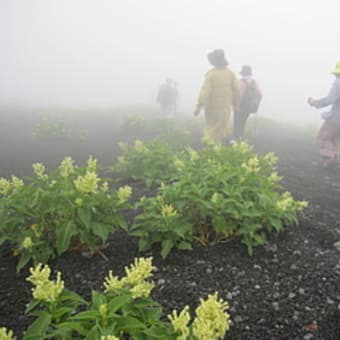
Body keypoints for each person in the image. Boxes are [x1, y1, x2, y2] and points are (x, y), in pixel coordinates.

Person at [194, 49, 240, 144]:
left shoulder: (211, 74)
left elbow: (205, 91)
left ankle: (212, 148)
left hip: (212, 108)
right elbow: (237, 90)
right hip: (225, 108)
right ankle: (227, 144)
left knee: (211, 128)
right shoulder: (230, 74)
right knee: (222, 127)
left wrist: (199, 105)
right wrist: (235, 104)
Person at [308, 61, 340, 168]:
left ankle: (331, 156)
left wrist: (315, 102)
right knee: (335, 141)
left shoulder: (338, 82)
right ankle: (331, 162)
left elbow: (330, 99)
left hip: (335, 118)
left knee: (322, 138)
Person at [234, 65, 262, 140]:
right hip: (249, 107)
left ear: (243, 73)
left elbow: (240, 95)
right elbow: (260, 94)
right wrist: (256, 104)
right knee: (243, 122)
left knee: (237, 123)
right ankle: (241, 137)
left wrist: (236, 105)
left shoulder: (241, 82)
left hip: (241, 106)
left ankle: (237, 138)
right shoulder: (254, 82)